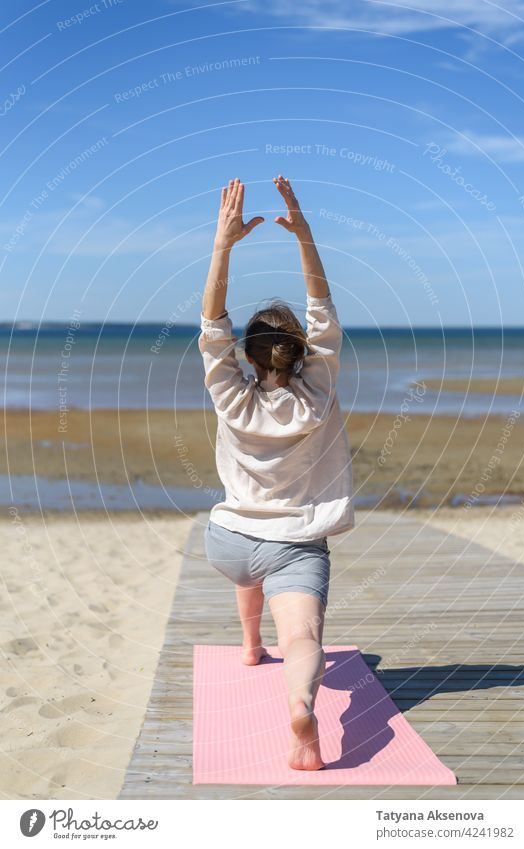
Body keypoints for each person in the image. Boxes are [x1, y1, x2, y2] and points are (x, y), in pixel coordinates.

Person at [198, 175, 354, 770]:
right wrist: (304, 236)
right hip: (293, 545)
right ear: (299, 352)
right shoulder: (319, 390)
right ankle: (299, 703)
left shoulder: (229, 394)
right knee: (303, 640)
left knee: (252, 563)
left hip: (229, 541)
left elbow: (212, 322)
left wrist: (223, 244)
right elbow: (323, 310)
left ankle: (247, 646)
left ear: (248, 354)